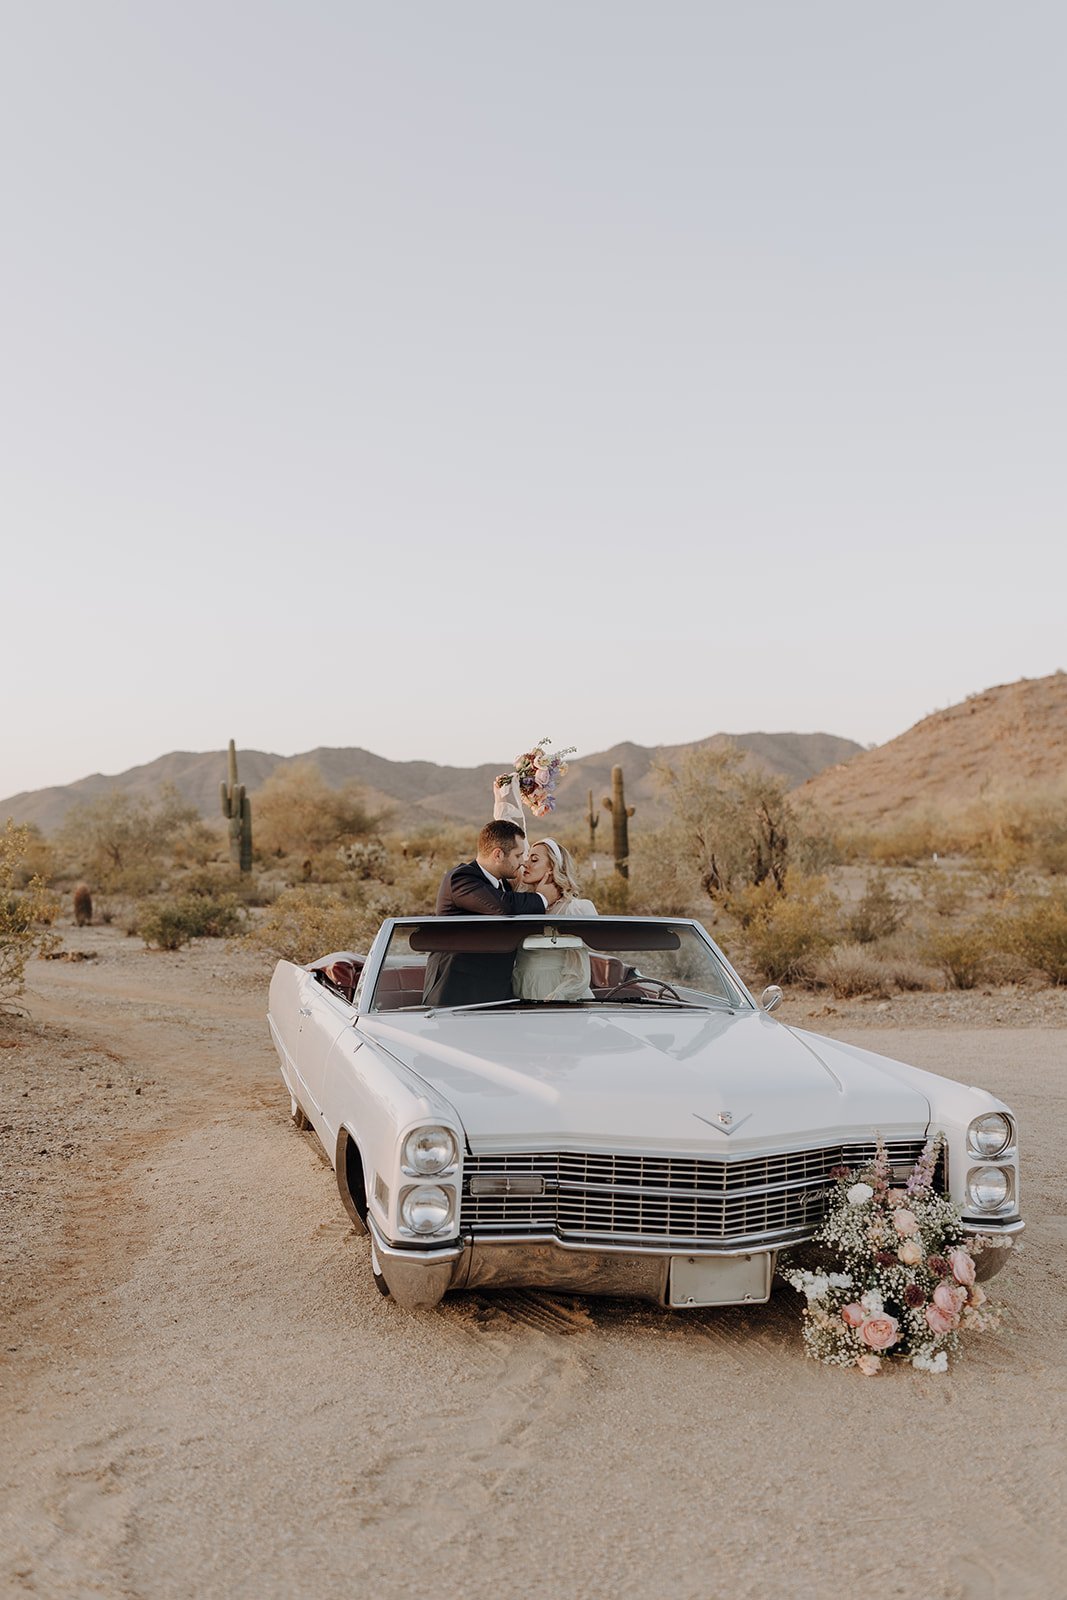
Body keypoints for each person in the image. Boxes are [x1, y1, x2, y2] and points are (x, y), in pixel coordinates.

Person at [421, 820, 558, 1006]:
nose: (522, 862)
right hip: (454, 993)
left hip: (495, 993)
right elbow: (503, 907)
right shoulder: (461, 879)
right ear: (498, 854)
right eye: (518, 855)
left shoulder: (504, 885)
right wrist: (543, 898)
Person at [513, 838, 598, 1002]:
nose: (525, 863)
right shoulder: (522, 903)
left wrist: (559, 996)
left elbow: (579, 972)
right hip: (521, 989)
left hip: (555, 991)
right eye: (527, 857)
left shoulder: (572, 910)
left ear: (552, 868)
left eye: (534, 860)